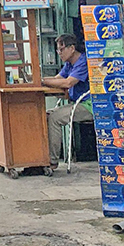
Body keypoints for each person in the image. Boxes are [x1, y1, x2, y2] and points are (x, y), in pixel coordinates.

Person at [41, 33, 92, 168]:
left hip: (88, 106)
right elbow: (58, 78)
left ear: (72, 48)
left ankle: (52, 161)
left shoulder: (82, 62)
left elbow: (68, 83)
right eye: (58, 50)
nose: (59, 53)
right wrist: (41, 80)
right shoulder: (69, 65)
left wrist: (44, 81)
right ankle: (40, 157)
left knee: (55, 118)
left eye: (61, 49)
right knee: (45, 115)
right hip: (76, 103)